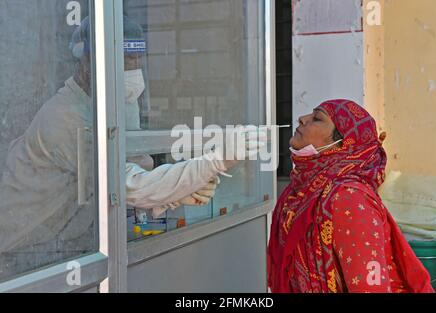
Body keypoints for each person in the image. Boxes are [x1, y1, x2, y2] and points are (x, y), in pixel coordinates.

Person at [0, 16, 261, 279]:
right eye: (125, 61)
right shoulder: (64, 117)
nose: (134, 71)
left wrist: (177, 193)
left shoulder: (114, 98)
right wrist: (213, 163)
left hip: (61, 240)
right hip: (20, 250)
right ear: (89, 64)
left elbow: (137, 169)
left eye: (137, 60)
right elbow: (129, 185)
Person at [267, 99, 434, 293]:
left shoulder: (348, 198)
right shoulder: (302, 189)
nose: (302, 119)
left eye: (317, 118)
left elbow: (369, 288)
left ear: (341, 144)